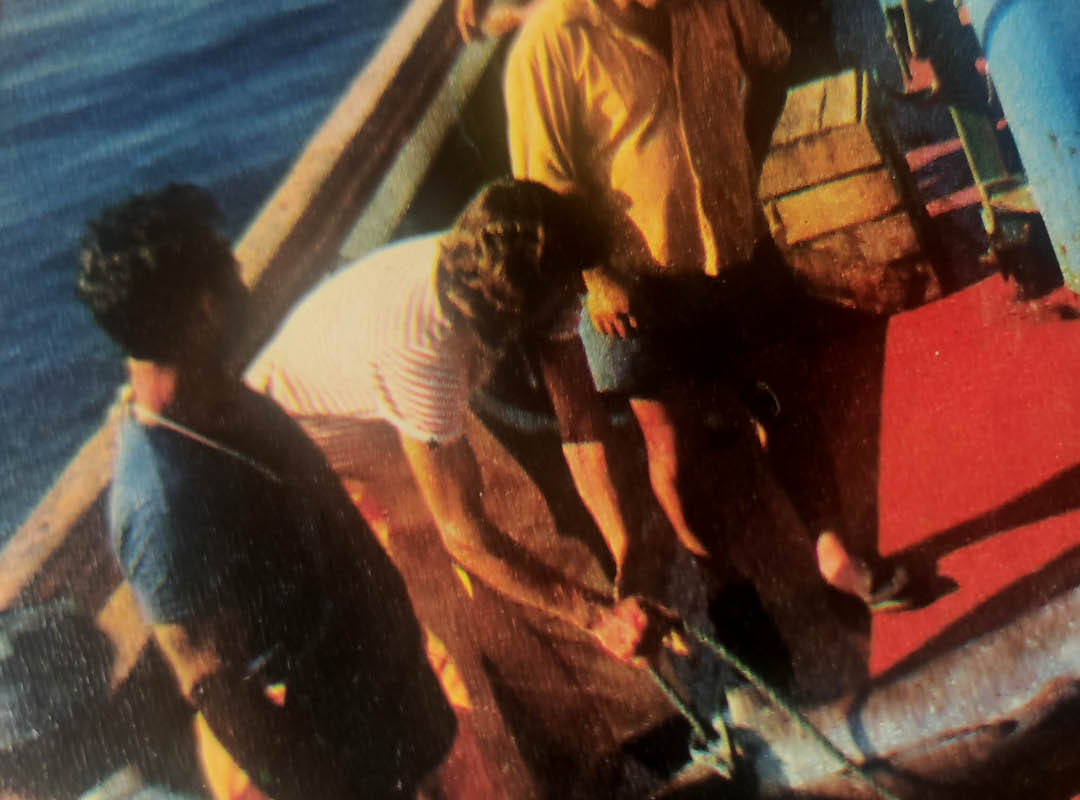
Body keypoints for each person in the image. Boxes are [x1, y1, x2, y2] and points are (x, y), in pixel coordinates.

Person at [501, 0, 910, 615]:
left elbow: (771, 62)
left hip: (733, 242)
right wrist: (597, 278)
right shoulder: (549, 44)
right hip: (631, 285)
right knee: (674, 449)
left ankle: (836, 558)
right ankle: (730, 592)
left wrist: (745, 160)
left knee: (784, 399)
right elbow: (539, 195)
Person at [79, 184, 456, 799]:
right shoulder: (163, 504)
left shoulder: (214, 397)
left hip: (389, 707)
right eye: (227, 269)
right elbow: (218, 690)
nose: (242, 280)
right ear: (203, 310)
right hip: (340, 759)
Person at [245, 179, 659, 630]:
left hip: (381, 377)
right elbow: (462, 533)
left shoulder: (532, 266)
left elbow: (580, 426)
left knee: (521, 518)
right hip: (305, 428)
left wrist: (628, 559)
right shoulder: (424, 352)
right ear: (510, 317)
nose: (576, 302)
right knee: (439, 561)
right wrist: (595, 619)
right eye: (567, 297)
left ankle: (607, 649)